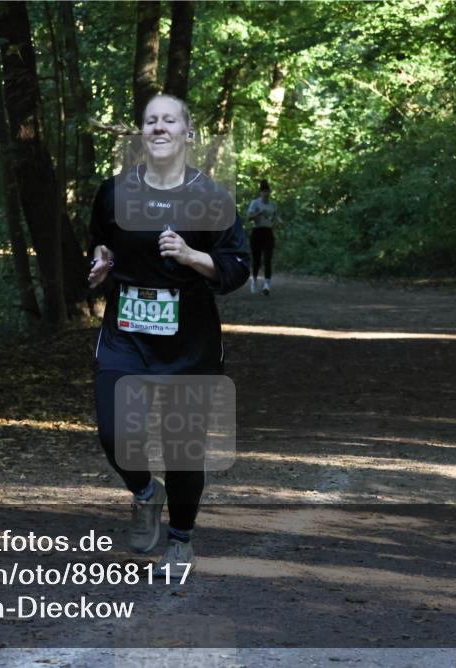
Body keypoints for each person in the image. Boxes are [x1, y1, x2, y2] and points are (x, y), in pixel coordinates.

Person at [88, 94, 250, 578]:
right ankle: (143, 492)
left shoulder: (213, 197)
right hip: (126, 333)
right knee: (116, 432)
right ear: (142, 133)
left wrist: (190, 255)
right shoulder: (115, 191)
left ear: (188, 133)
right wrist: (100, 260)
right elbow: (100, 240)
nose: (159, 127)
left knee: (182, 449)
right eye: (150, 120)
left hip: (190, 340)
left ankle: (180, 540)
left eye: (169, 120)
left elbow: (236, 265)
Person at [247, 179, 280, 295]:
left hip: (268, 232)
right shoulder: (255, 203)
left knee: (268, 258)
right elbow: (249, 217)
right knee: (256, 260)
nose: (266, 194)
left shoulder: (273, 204)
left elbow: (276, 216)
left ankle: (267, 284)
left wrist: (279, 221)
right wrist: (258, 213)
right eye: (264, 191)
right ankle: (254, 280)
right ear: (260, 192)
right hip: (257, 232)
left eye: (267, 191)